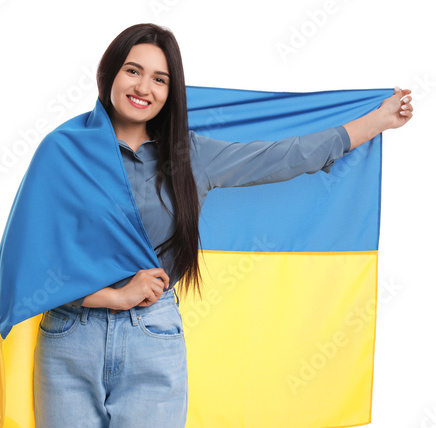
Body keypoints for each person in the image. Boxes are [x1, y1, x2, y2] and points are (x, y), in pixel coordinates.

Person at [32, 23, 413, 428]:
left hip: (151, 338)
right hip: (71, 336)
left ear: (170, 91)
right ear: (108, 74)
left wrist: (377, 121)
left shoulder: (191, 155)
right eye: (133, 71)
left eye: (160, 79)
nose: (144, 87)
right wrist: (116, 297)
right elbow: (34, 256)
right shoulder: (63, 149)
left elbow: (287, 155)